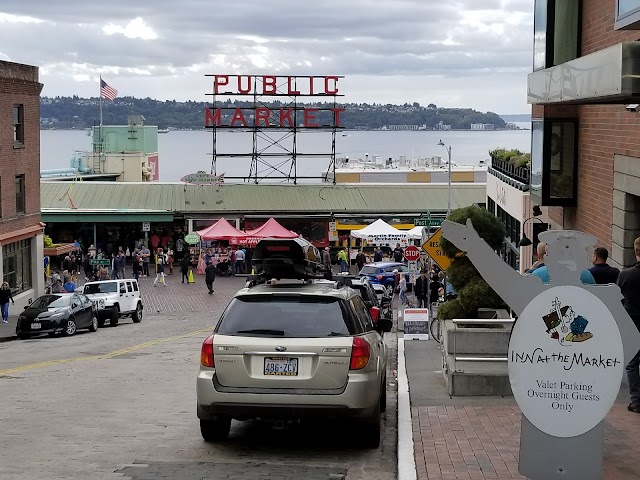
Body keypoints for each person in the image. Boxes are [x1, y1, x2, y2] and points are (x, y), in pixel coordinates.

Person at [616, 237, 640, 413]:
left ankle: (636, 401)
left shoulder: (626, 275)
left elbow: (618, 300)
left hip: (632, 324)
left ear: (636, 251)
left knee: (632, 364)